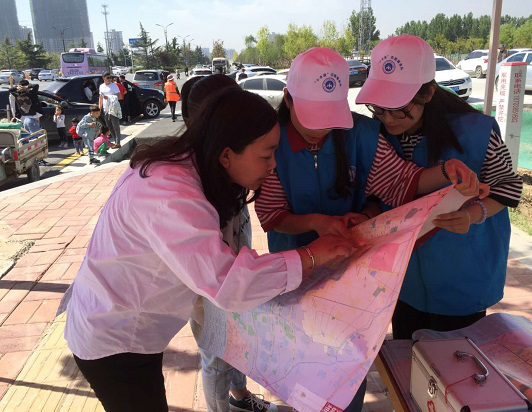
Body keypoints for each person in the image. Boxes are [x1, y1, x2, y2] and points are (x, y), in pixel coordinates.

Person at [61, 87, 355, 412]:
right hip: (114, 338)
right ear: (226, 154)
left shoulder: (188, 167)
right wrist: (311, 256)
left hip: (128, 327)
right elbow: (228, 281)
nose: (273, 165)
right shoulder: (170, 193)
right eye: (266, 155)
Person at [254, 47, 487, 412]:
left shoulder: (360, 134)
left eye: (329, 118)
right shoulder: (271, 141)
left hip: (352, 274)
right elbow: (270, 213)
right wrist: (316, 222)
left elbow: (399, 182)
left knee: (347, 366)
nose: (319, 130)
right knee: (301, 364)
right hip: (297, 269)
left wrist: (446, 172)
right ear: (288, 99)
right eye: (310, 117)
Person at [355, 34, 523, 339]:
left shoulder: (475, 132)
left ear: (428, 92)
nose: (388, 119)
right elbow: (377, 190)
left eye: (398, 108)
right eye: (378, 108)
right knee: (407, 354)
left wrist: (472, 214)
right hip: (403, 280)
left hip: (462, 278)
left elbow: (508, 187)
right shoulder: (376, 135)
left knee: (455, 361)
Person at [184, 74, 277, 412]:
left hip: (235, 279)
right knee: (216, 356)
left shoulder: (231, 167)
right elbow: (211, 271)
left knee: (237, 345)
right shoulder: (195, 186)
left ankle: (240, 397)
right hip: (213, 290)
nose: (272, 166)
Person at [99, 72, 122, 148]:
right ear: (103, 78)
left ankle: (118, 143)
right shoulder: (101, 86)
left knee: (116, 126)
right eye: (108, 78)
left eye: (110, 78)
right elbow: (100, 98)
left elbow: (119, 97)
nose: (110, 79)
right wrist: (99, 108)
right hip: (106, 109)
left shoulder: (114, 86)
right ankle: (115, 141)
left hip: (113, 109)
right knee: (109, 126)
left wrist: (109, 97)